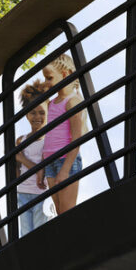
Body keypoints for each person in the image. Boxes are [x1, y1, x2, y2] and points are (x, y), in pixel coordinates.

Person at [39, 55, 87, 215]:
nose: (46, 83)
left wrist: (66, 169)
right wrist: (42, 167)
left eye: (49, 78)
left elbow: (77, 137)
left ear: (65, 74)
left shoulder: (72, 102)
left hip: (66, 161)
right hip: (50, 162)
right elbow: (49, 136)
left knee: (67, 212)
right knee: (60, 213)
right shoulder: (52, 103)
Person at [15, 79, 53, 235]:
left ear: (48, 112)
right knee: (25, 234)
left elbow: (44, 169)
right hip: (22, 193)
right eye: (33, 112)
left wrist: (23, 159)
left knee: (41, 232)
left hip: (42, 194)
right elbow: (16, 169)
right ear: (26, 114)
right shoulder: (21, 140)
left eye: (42, 112)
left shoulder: (49, 140)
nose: (37, 116)